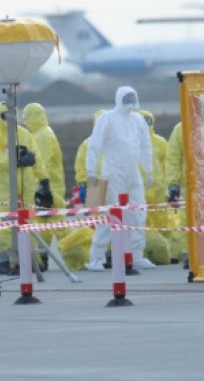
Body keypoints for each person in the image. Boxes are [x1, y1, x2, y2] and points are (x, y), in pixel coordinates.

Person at [85, 86, 155, 271]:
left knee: (138, 214)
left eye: (132, 97)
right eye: (127, 97)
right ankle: (96, 258)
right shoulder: (107, 118)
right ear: (119, 98)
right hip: (113, 174)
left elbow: (146, 146)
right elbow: (95, 144)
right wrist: (91, 169)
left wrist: (149, 171)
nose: (130, 101)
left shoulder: (138, 120)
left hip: (134, 175)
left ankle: (136, 254)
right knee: (110, 215)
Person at [0, 101, 51, 273]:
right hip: (5, 186)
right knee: (6, 222)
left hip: (26, 185)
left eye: (11, 114)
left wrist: (43, 179)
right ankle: (6, 261)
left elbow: (37, 156)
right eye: (5, 114)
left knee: (28, 221)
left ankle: (31, 260)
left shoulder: (23, 133)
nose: (8, 118)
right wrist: (13, 160)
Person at [57, 109, 104, 271]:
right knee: (99, 221)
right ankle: (100, 255)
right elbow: (81, 165)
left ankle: (110, 254)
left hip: (111, 183)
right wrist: (83, 183)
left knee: (114, 221)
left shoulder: (113, 141)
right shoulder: (88, 144)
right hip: (96, 185)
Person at [22, 103, 69, 248]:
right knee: (45, 224)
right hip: (46, 185)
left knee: (56, 225)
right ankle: (47, 254)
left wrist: (38, 184)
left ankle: (69, 253)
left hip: (49, 186)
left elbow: (42, 163)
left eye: (26, 118)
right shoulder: (39, 134)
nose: (25, 122)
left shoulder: (43, 135)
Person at [139, 109, 172, 265]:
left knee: (162, 221)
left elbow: (168, 165)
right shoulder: (130, 142)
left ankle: (164, 250)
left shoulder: (160, 142)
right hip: (139, 189)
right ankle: (143, 252)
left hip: (158, 189)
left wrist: (170, 185)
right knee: (140, 221)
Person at [165, 121, 189, 268]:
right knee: (188, 220)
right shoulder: (181, 129)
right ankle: (189, 255)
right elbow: (173, 159)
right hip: (190, 187)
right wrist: (173, 185)